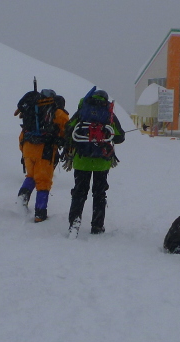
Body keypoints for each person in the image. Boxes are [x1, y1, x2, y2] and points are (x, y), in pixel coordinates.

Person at [64, 87, 125, 236]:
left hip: (81, 159)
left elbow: (68, 129)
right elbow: (120, 137)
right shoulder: (108, 113)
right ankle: (97, 226)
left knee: (79, 193)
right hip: (101, 161)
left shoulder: (83, 110)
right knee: (99, 194)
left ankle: (74, 223)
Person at [15, 89, 70, 222]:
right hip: (45, 150)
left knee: (31, 175)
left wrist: (24, 150)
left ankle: (22, 198)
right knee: (43, 181)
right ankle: (40, 214)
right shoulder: (58, 112)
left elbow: (23, 134)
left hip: (27, 148)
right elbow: (66, 133)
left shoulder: (31, 109)